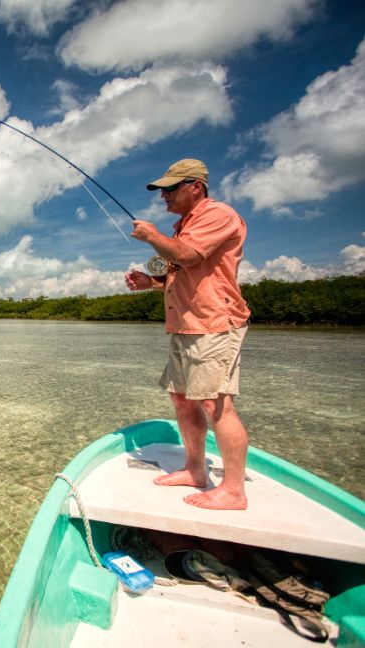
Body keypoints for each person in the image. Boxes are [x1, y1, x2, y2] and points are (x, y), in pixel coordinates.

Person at [125, 159, 251, 510]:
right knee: (182, 398)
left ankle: (233, 491)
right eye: (162, 190)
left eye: (171, 188)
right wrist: (149, 282)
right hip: (185, 325)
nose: (163, 195)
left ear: (196, 185)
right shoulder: (183, 227)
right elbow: (177, 274)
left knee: (216, 403)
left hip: (213, 322)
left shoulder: (218, 214)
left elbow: (189, 257)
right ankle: (195, 469)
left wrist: (152, 236)